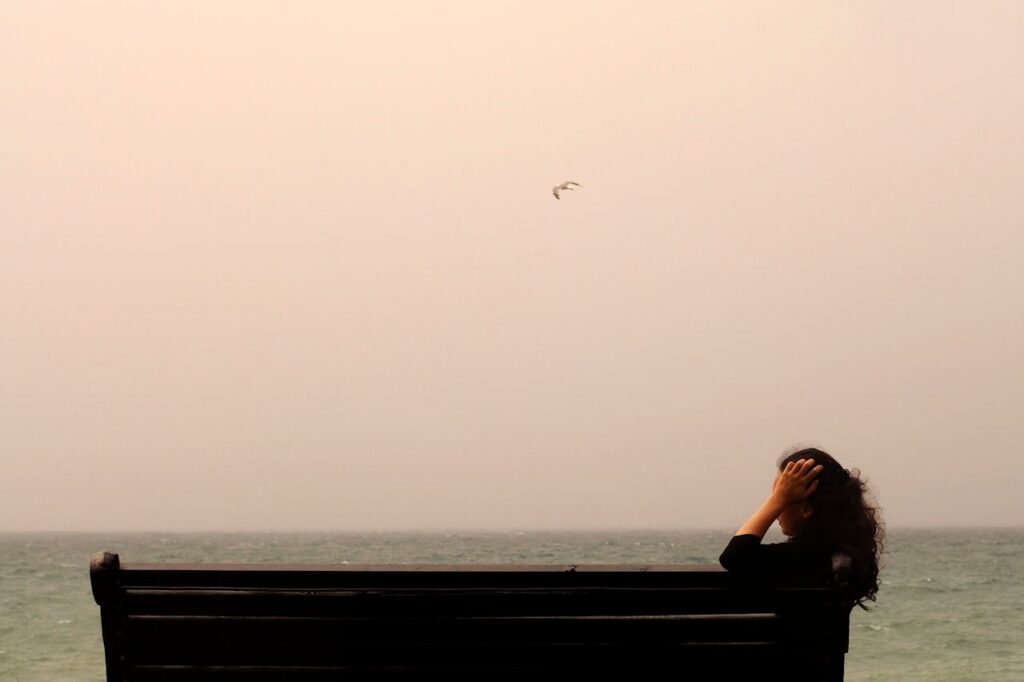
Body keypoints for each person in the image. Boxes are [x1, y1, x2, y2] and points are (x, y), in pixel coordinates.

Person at [719, 446, 884, 610]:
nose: (776, 511)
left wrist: (776, 501)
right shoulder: (846, 560)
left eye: (782, 498)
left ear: (806, 509)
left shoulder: (802, 557)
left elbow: (734, 557)